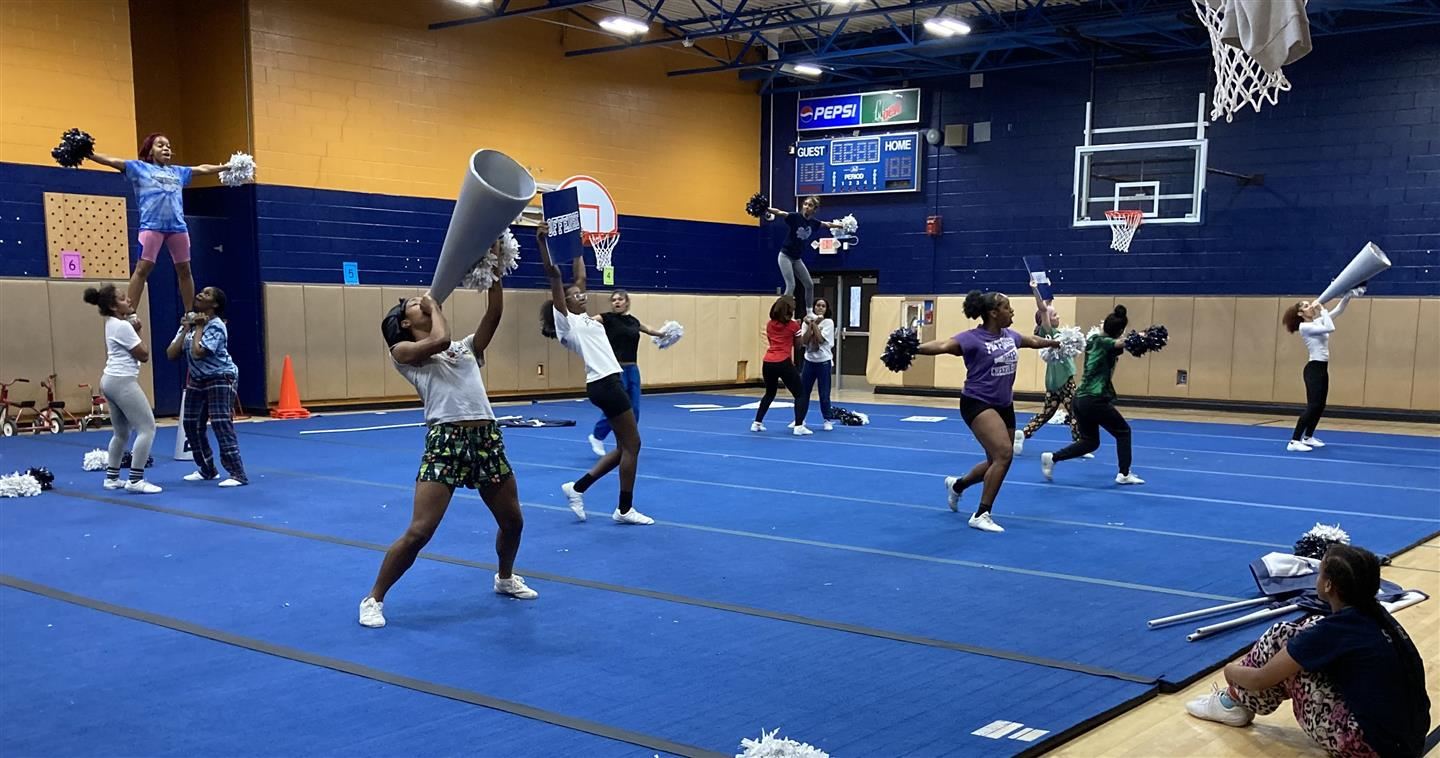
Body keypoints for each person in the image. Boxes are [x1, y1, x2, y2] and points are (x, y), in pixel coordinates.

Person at [360, 262, 536, 629]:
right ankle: (373, 597)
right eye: (412, 303)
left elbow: (494, 313)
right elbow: (438, 340)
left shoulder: (465, 347)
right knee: (420, 530)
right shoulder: (404, 352)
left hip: (486, 438)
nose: (421, 301)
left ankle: (504, 577)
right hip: (446, 440)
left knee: (513, 520)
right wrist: (436, 306)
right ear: (405, 323)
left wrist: (495, 272)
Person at [1185, 544, 1429, 758]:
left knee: (1283, 638)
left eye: (1320, 573)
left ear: (1328, 584)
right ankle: (1236, 702)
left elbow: (1261, 679)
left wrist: (1230, 671)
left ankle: (1233, 700)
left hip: (1369, 746)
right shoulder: (1378, 615)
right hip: (1410, 741)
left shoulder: (1336, 630)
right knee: (1302, 632)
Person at [537, 226, 653, 526]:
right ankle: (624, 509)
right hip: (604, 383)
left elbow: (580, 277)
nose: (581, 295)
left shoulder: (585, 318)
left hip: (609, 381)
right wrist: (542, 242)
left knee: (624, 447)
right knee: (634, 444)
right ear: (563, 304)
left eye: (581, 293)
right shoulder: (567, 324)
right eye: (574, 296)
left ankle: (577, 488)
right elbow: (555, 277)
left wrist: (577, 244)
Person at [917, 291, 1059, 533]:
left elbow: (1032, 341)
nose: (1012, 311)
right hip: (978, 402)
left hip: (1004, 404)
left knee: (997, 460)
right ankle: (982, 514)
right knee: (1004, 454)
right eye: (1008, 307)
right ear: (993, 313)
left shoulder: (1010, 336)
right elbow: (942, 345)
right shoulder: (971, 339)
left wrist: (1054, 342)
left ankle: (958, 486)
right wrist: (912, 348)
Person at [85, 133, 233, 311]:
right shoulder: (139, 168)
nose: (166, 148)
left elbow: (201, 169)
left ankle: (189, 312)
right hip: (151, 227)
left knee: (185, 269)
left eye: (168, 146)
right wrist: (88, 154)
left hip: (177, 228)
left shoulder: (178, 172)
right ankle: (129, 311)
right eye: (160, 145)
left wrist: (226, 167)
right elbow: (112, 161)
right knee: (142, 268)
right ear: (150, 150)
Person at [1040, 305, 1145, 486]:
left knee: (1090, 442)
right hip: (1094, 398)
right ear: (1119, 331)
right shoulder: (1106, 343)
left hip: (1080, 399)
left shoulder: (1094, 339)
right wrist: (1143, 337)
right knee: (1123, 432)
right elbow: (1120, 343)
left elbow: (1117, 343)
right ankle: (1124, 474)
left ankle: (1053, 457)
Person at [165, 286, 247, 487]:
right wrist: (186, 328)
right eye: (201, 292)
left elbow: (198, 353)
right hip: (198, 378)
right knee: (191, 424)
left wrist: (200, 328)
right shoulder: (190, 321)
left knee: (220, 423)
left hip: (221, 376)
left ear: (215, 304)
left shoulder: (217, 325)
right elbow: (171, 353)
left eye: (207, 294)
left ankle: (237, 473)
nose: (200, 294)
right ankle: (207, 469)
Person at [83, 284, 160, 494]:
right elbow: (143, 355)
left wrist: (132, 327)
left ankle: (112, 477)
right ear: (113, 305)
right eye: (123, 299)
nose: (129, 301)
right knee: (147, 428)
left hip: (109, 380)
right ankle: (135, 480)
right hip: (122, 382)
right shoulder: (123, 327)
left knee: (121, 433)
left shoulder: (111, 322)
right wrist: (139, 330)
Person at [586, 290, 669, 457]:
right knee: (617, 407)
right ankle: (597, 436)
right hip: (615, 369)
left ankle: (627, 439)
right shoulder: (607, 318)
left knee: (634, 408)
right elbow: (587, 321)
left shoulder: (633, 322)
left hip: (632, 369)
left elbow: (648, 329)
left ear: (627, 302)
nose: (617, 302)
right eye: (614, 300)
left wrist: (663, 333)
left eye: (620, 299)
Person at [1282, 291, 1355, 452]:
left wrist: (1347, 295)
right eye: (1307, 306)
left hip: (1322, 368)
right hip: (1313, 369)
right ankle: (1294, 441)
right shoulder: (1305, 327)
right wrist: (1322, 308)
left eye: (1310, 304)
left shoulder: (1315, 323)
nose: (1311, 307)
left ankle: (1308, 437)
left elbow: (1337, 311)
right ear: (1301, 313)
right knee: (1313, 405)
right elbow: (1330, 327)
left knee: (1320, 405)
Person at [1015, 280, 1079, 455]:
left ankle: (1023, 433)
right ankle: (1079, 444)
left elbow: (1047, 307)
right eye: (1055, 315)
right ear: (1047, 321)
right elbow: (1043, 310)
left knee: (1047, 413)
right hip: (1064, 379)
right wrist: (1035, 289)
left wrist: (1046, 288)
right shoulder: (1049, 333)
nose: (1058, 316)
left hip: (1053, 380)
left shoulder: (1054, 332)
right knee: (1076, 411)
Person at [764, 196, 841, 311]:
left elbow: (827, 224)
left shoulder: (813, 223)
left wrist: (840, 225)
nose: (806, 207)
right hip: (785, 256)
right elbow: (780, 213)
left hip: (796, 259)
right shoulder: (796, 217)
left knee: (809, 284)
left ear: (814, 209)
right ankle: (782, 312)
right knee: (791, 285)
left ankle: (809, 312)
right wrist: (767, 208)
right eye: (805, 204)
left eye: (810, 205)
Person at [752, 295, 809, 435]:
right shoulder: (793, 326)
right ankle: (799, 425)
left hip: (768, 361)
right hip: (783, 361)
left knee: (770, 393)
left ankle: (757, 422)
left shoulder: (770, 324)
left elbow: (772, 341)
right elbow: (798, 345)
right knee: (800, 394)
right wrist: (799, 330)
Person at [797, 298, 836, 432]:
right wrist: (810, 324)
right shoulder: (806, 322)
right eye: (818, 305)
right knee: (803, 392)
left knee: (824, 393)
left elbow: (819, 339)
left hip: (823, 362)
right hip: (809, 361)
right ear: (813, 307)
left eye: (823, 306)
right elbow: (804, 341)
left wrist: (814, 325)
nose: (820, 308)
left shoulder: (829, 322)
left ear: (826, 309)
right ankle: (800, 419)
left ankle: (827, 419)